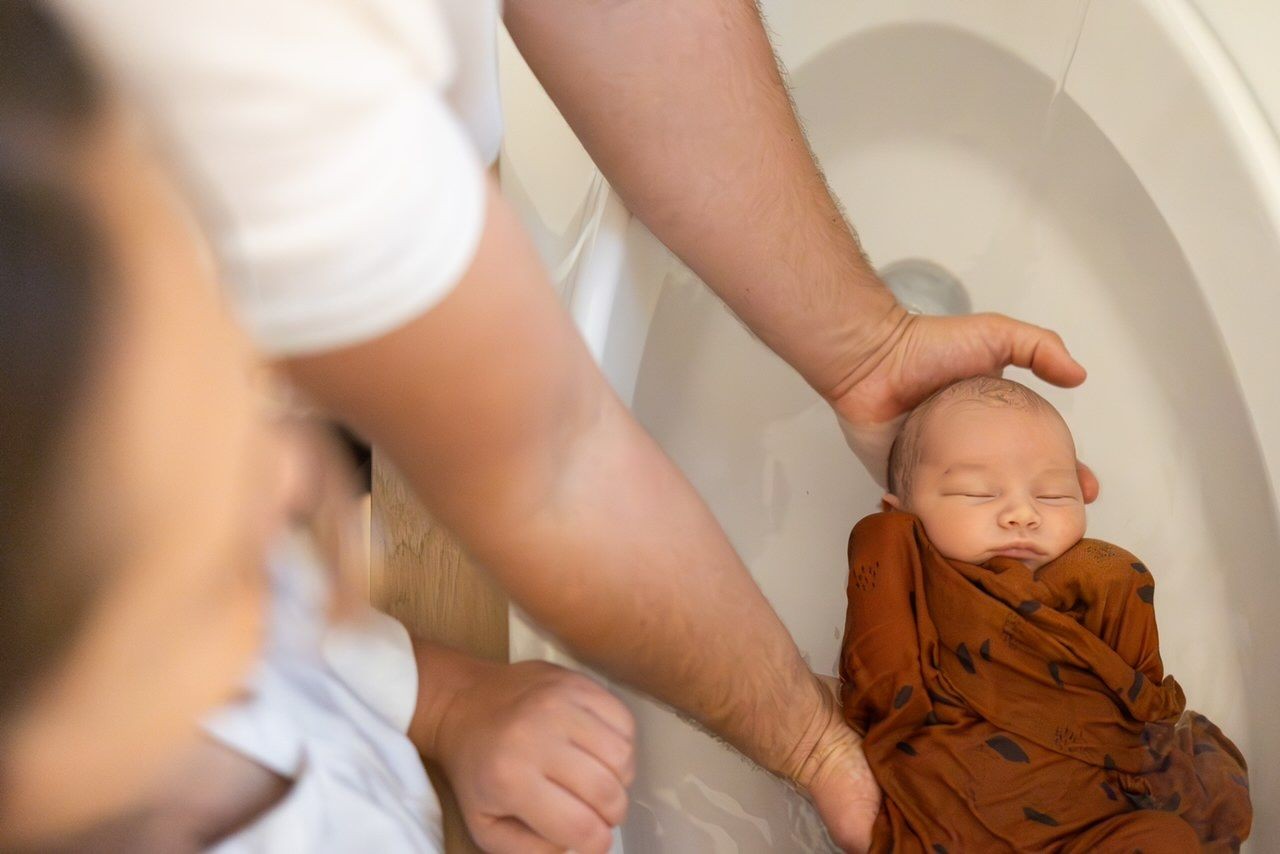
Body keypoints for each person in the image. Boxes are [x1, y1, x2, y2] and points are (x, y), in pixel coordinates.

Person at [50, 2, 1099, 849]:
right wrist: (825, 738)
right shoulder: (226, 66)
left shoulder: (205, 621)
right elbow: (547, 462)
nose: (297, 487)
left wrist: (445, 700)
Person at [0, 7, 634, 852]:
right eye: (214, 576)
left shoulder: (190, 570)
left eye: (240, 378)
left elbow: (301, 641)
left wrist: (449, 705)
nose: (290, 480)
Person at [840, 377, 1251, 850]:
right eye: (976, 494)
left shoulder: (1102, 581)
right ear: (902, 512)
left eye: (1054, 495)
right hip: (963, 806)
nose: (1022, 514)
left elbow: (1138, 706)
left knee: (1168, 839)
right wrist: (887, 535)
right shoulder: (905, 569)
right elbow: (879, 682)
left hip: (1093, 814)